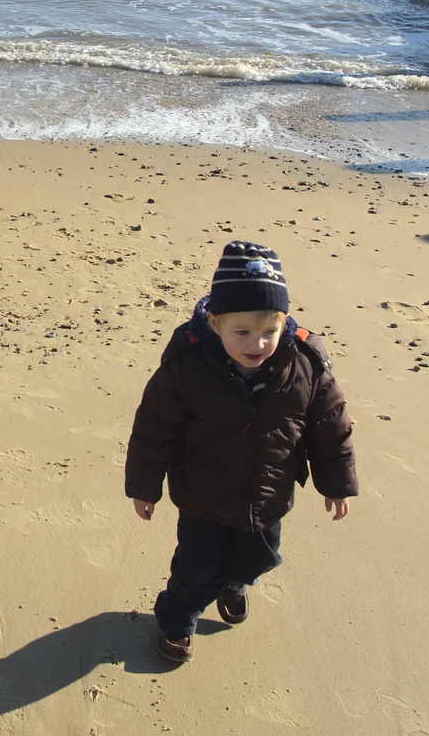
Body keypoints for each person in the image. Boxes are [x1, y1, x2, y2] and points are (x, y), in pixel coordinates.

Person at [125, 241, 358, 664]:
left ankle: (234, 584)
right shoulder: (188, 366)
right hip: (202, 496)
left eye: (270, 330)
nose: (258, 344)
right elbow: (153, 429)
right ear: (214, 322)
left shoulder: (304, 365)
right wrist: (145, 488)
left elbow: (331, 428)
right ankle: (178, 621)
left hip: (267, 496)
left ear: (285, 321)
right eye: (243, 332)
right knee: (195, 569)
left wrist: (336, 484)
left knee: (258, 557)